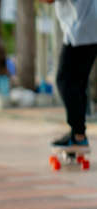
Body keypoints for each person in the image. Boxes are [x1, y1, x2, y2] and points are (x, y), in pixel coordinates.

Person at [40, 0, 97, 150]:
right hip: (89, 27)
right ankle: (78, 133)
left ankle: (78, 135)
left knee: (64, 80)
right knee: (78, 83)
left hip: (81, 29)